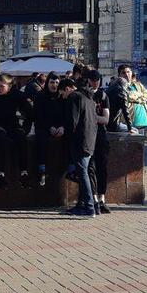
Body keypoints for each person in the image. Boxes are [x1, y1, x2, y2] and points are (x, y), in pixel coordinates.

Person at [0, 73, 33, 188]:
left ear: (9, 86)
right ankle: (0, 174)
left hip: (12, 125)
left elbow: (29, 113)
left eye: (2, 86)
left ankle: (24, 172)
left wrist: (25, 129)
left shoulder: (17, 94)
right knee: (1, 139)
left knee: (21, 138)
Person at [59, 78, 98, 217]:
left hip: (79, 142)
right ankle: (85, 205)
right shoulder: (88, 97)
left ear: (68, 89)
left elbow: (72, 122)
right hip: (89, 140)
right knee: (84, 173)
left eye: (62, 93)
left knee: (82, 174)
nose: (62, 96)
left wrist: (65, 132)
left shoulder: (74, 97)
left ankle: (89, 207)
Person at [84, 70, 111, 214]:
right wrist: (95, 117)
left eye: (97, 81)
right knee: (90, 168)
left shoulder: (103, 95)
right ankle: (93, 199)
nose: (95, 83)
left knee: (103, 168)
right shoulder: (83, 94)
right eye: (93, 81)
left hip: (101, 136)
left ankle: (102, 199)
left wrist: (90, 117)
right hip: (88, 136)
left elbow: (105, 119)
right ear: (88, 80)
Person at [31, 72, 64, 187]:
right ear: (47, 83)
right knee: (41, 140)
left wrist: (62, 127)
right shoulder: (40, 96)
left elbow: (67, 114)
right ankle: (41, 170)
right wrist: (49, 127)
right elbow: (38, 115)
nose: (54, 85)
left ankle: (69, 169)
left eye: (56, 82)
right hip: (43, 127)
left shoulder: (62, 96)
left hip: (59, 127)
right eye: (51, 82)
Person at [119, 65, 147, 133]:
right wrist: (139, 95)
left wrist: (135, 98)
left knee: (140, 142)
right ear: (119, 75)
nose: (126, 74)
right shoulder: (119, 86)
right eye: (123, 73)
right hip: (128, 123)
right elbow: (127, 97)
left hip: (143, 122)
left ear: (131, 73)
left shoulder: (138, 85)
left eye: (128, 72)